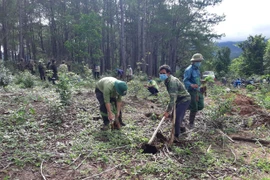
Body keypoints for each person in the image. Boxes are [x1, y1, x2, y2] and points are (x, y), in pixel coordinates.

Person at [159, 65, 191, 138]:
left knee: (176, 118)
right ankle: (182, 129)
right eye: (160, 73)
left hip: (184, 99)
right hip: (178, 100)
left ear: (168, 73)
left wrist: (167, 111)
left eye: (163, 73)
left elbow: (173, 99)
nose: (161, 75)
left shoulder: (172, 82)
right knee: (173, 116)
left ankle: (176, 136)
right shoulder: (167, 80)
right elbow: (173, 97)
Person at [183, 53, 204, 129]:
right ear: (194, 61)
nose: (199, 63)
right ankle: (191, 123)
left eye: (200, 61)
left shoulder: (197, 70)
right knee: (194, 107)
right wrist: (191, 85)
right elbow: (185, 81)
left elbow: (197, 79)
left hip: (198, 90)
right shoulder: (189, 70)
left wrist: (202, 82)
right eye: (198, 61)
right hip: (191, 91)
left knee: (201, 105)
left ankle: (185, 108)